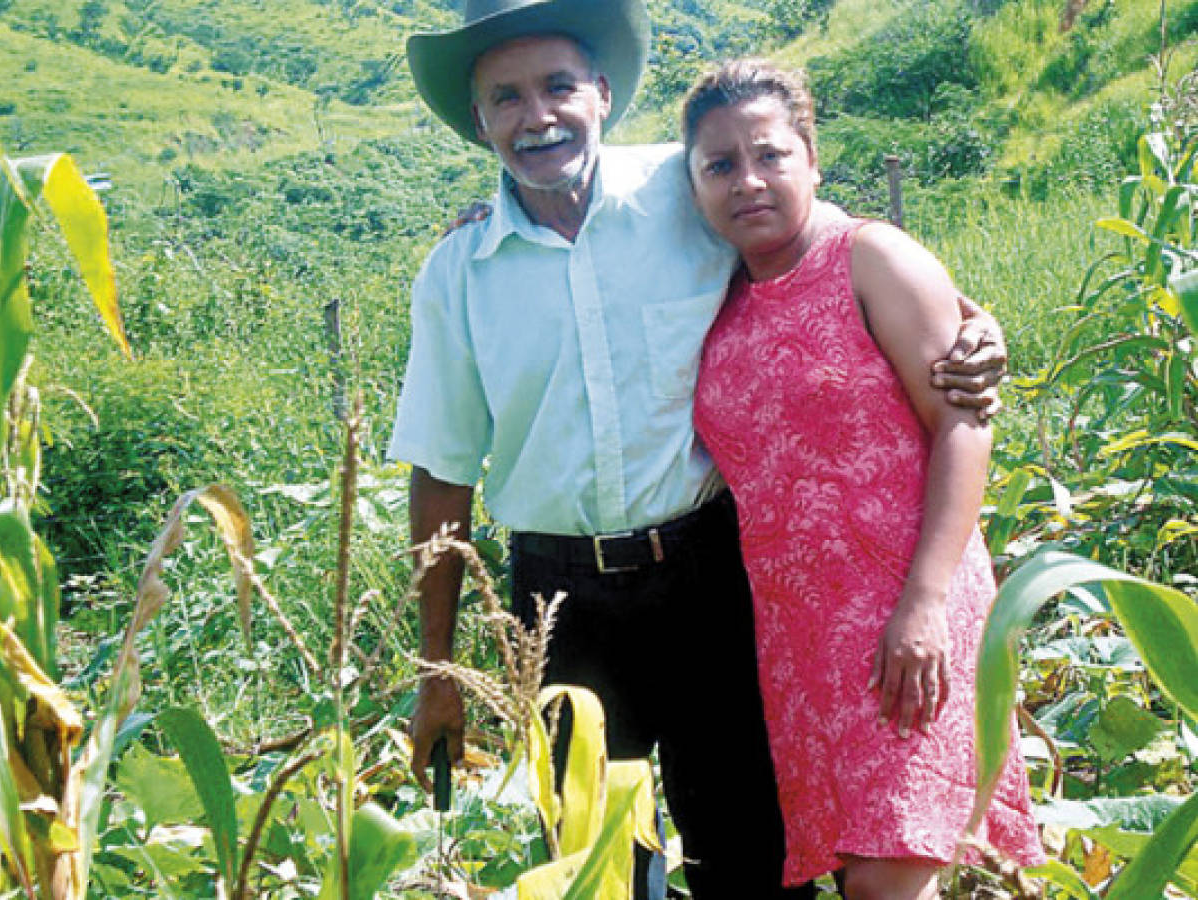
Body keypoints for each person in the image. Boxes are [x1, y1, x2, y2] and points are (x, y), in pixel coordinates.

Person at [390, 2, 1007, 896]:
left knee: (751, 845)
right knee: (597, 858)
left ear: (601, 94)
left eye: (558, 85)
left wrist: (973, 324)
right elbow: (441, 474)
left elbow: (821, 239)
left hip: (709, 571)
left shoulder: (685, 192)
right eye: (506, 98)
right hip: (559, 606)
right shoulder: (458, 274)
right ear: (479, 122)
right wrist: (436, 671)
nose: (538, 116)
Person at [684, 60, 1046, 898]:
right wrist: (492, 208)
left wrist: (923, 602)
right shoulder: (711, 298)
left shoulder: (869, 257)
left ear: (812, 159)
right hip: (797, 641)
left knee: (888, 880)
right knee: (857, 871)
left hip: (904, 611)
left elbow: (963, 420)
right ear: (693, 186)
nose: (747, 181)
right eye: (719, 166)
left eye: (769, 155)